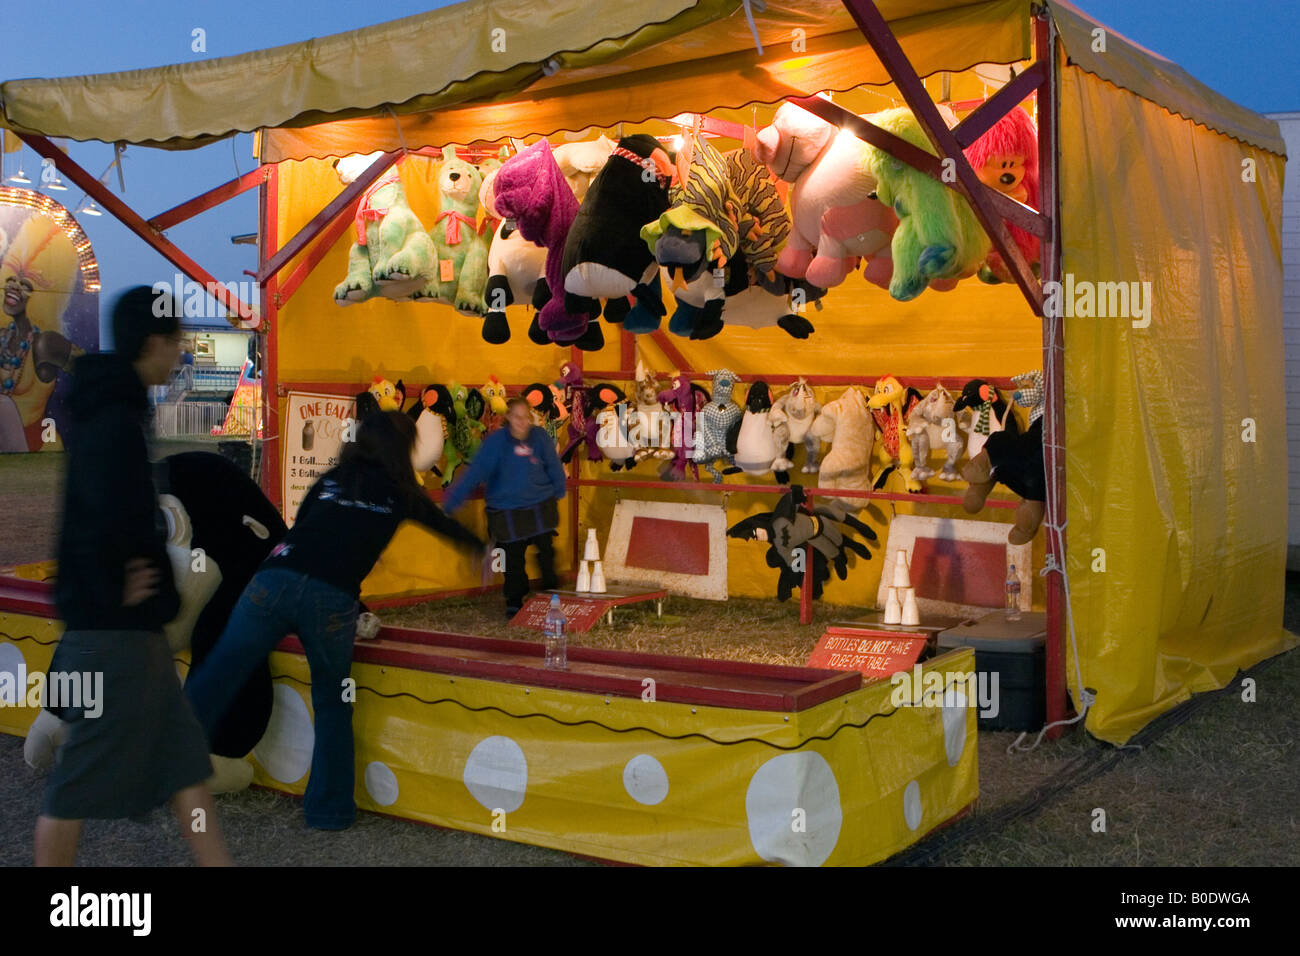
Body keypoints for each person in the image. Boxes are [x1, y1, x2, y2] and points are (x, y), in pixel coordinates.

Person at [184, 410, 482, 830]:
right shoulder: (401, 491)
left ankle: (160, 765)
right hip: (330, 598)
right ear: (403, 449)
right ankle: (330, 810)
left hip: (271, 581)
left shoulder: (331, 480)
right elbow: (444, 525)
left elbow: (299, 529)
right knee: (332, 703)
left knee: (218, 673)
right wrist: (481, 549)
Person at [35, 285, 231, 866]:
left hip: (127, 627)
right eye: (177, 340)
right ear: (153, 342)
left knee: (182, 761)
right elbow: (98, 509)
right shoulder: (114, 416)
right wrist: (118, 581)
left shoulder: (113, 405)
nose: (182, 351)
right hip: (114, 632)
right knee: (79, 777)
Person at [443, 396, 567, 616]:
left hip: (540, 505)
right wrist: (453, 501)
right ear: (508, 417)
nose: (522, 422)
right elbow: (475, 473)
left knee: (547, 554)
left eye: (526, 417)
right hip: (507, 510)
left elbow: (553, 464)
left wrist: (559, 489)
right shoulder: (496, 442)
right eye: (517, 417)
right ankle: (515, 601)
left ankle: (551, 595)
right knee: (512, 560)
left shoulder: (539, 438)